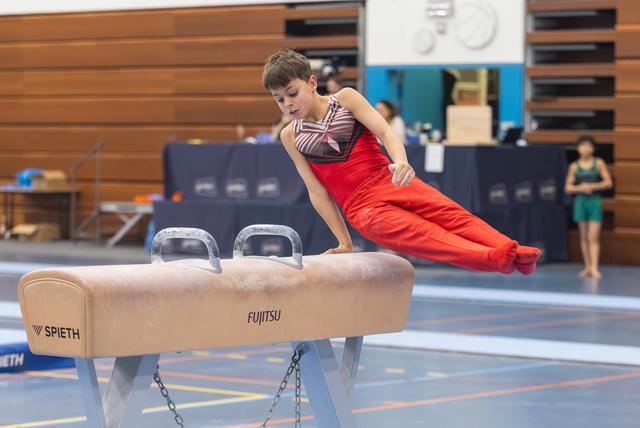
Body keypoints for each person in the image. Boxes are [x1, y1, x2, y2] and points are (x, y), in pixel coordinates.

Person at [262, 49, 541, 274]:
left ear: (311, 82)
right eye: (278, 99)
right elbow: (317, 192)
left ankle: (514, 250)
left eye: (292, 93)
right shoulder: (291, 136)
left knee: (454, 217)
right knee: (424, 234)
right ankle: (492, 258)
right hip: (362, 208)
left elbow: (385, 132)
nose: (287, 103)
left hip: (389, 178)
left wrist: (401, 161)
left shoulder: (345, 99)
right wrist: (344, 242)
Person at [564, 135, 613, 279]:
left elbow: (608, 183)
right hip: (580, 202)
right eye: (582, 145)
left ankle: (594, 267)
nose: (585, 149)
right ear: (578, 148)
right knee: (584, 236)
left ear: (592, 148)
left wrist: (592, 185)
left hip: (594, 201)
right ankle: (587, 266)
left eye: (588, 146)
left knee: (593, 237)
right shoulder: (574, 166)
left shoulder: (598, 163)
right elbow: (568, 187)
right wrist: (581, 188)